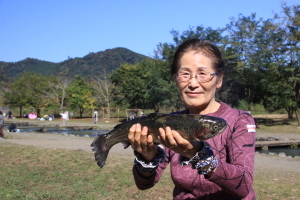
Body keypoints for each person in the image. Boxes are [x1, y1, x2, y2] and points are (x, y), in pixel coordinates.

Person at [128, 39, 256, 199]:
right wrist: (147, 157)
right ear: (176, 79)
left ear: (219, 79)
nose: (193, 83)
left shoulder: (240, 120)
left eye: (202, 73)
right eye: (185, 74)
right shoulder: (168, 122)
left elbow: (244, 186)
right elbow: (144, 185)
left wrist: (199, 154)